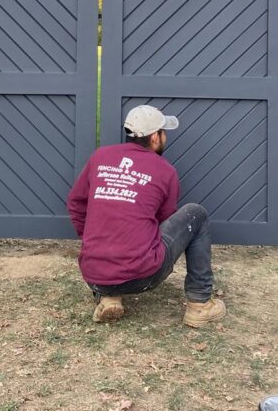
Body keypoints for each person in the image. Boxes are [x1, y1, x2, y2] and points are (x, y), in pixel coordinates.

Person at [66, 104, 227, 327]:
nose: (165, 137)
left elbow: (76, 203)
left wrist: (95, 242)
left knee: (108, 247)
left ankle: (108, 296)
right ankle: (200, 305)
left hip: (94, 275)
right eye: (163, 132)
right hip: (142, 277)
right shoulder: (164, 170)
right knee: (196, 213)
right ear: (154, 137)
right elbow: (165, 221)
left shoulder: (100, 157)